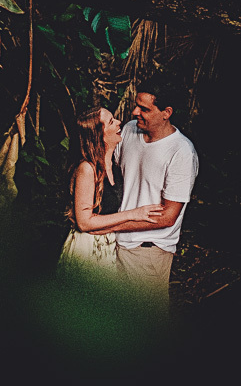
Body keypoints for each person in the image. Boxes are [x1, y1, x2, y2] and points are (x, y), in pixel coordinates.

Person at [110, 78, 200, 309]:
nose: (134, 112)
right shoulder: (130, 130)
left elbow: (168, 216)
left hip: (147, 251)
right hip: (114, 243)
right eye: (136, 105)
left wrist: (108, 224)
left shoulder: (180, 152)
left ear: (166, 112)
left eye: (144, 109)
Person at [57, 106, 164, 278]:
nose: (119, 123)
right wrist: (133, 214)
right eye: (111, 122)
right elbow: (84, 222)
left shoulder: (114, 166)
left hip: (107, 248)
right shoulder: (87, 169)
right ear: (99, 135)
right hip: (87, 249)